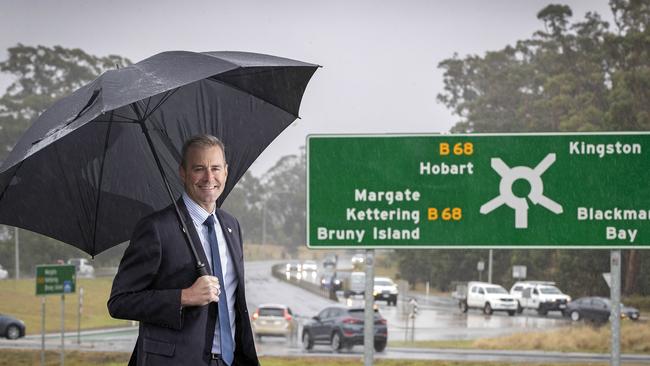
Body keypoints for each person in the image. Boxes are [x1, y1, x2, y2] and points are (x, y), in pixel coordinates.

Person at [108, 134, 259, 366]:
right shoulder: (156, 229)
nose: (209, 177)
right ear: (183, 172)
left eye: (216, 168)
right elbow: (120, 301)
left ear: (226, 172)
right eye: (199, 168)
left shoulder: (231, 226)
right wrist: (183, 297)